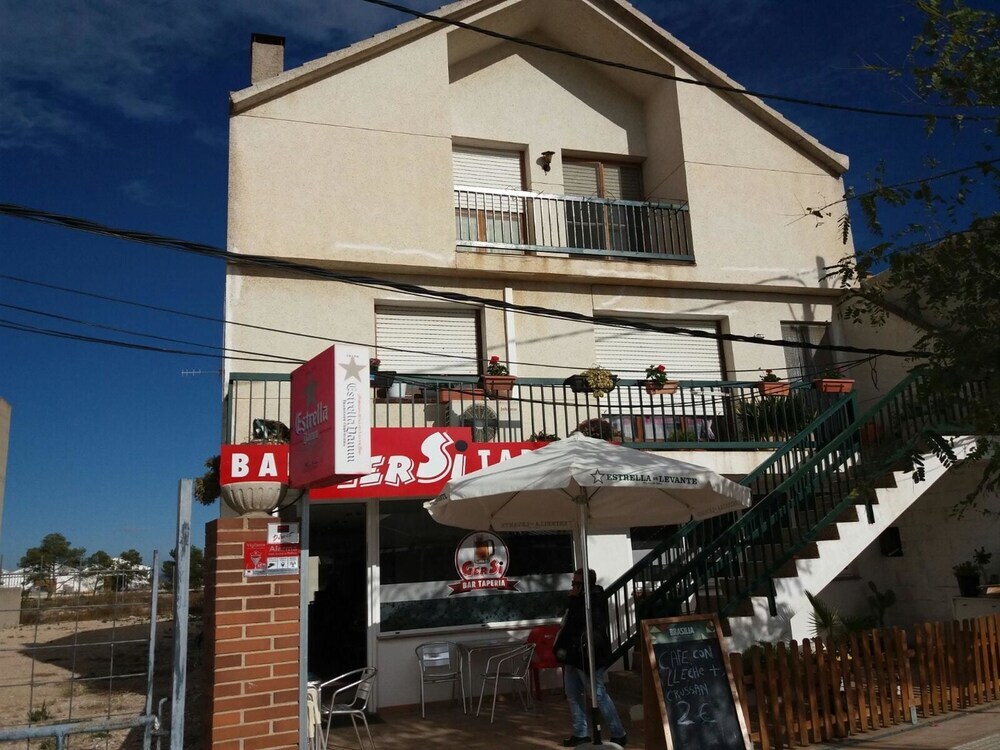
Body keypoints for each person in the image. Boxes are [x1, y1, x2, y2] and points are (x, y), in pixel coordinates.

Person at [553, 568, 627, 747]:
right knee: (572, 693)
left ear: (585, 585)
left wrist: (573, 599)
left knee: (598, 694)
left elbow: (583, 620)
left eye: (576, 584)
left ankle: (618, 732)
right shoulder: (577, 599)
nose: (573, 586)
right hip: (573, 654)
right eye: (572, 583)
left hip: (588, 656)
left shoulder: (595, 599)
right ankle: (580, 732)